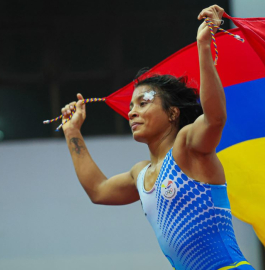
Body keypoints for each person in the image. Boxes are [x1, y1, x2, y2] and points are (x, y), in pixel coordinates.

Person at [60, 5, 254, 270]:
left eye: (143, 103)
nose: (131, 113)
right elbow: (98, 190)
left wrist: (204, 46)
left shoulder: (188, 147)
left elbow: (215, 118)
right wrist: (73, 132)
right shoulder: (139, 175)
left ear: (173, 113)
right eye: (131, 107)